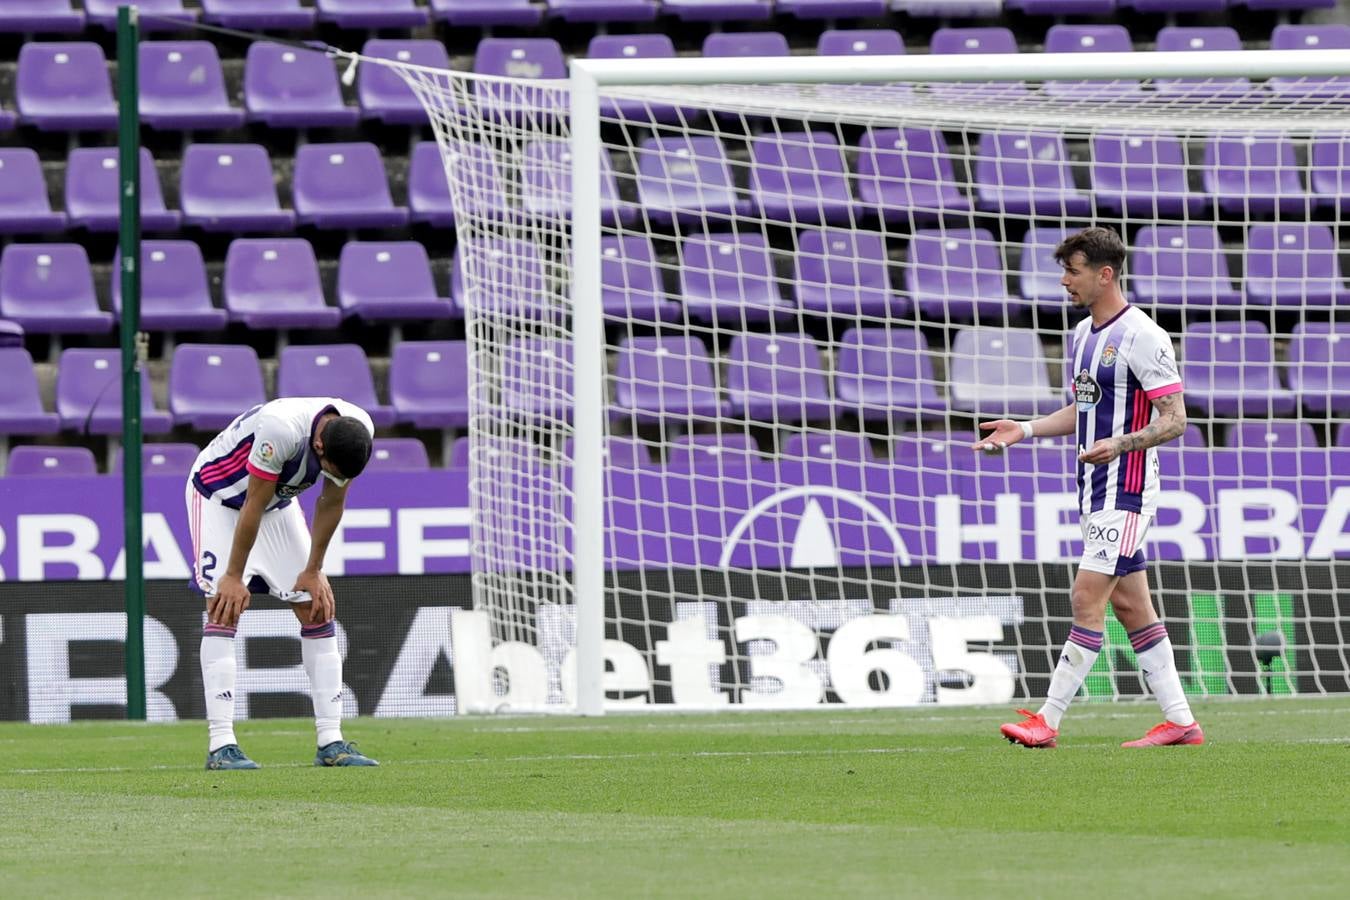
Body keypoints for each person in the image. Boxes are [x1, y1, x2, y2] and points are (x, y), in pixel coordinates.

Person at [974, 227, 1203, 749]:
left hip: (1126, 489)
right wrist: (1025, 430)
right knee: (1132, 609)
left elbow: (1176, 419)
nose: (1064, 281)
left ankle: (1047, 720)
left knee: (1086, 597)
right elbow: (1085, 408)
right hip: (1093, 487)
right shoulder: (1082, 335)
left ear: (1104, 274)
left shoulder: (1144, 335)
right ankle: (1182, 722)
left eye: (1072, 271)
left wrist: (1120, 444)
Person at [186, 397, 379, 769]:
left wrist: (314, 568)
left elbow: (331, 502)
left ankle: (331, 741)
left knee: (315, 606)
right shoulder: (281, 429)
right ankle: (221, 744)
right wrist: (232, 576)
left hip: (276, 503)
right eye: (328, 468)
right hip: (219, 496)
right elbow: (251, 505)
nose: (332, 476)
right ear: (318, 445)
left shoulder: (358, 429)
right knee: (224, 607)